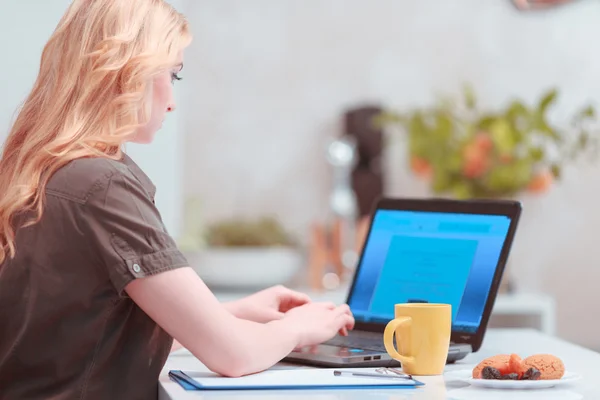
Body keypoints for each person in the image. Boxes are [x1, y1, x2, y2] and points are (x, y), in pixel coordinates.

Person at [0, 1, 355, 399]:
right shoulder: (102, 186)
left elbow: (81, 336)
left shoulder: (36, 170)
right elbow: (234, 355)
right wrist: (299, 327)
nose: (171, 100)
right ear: (126, 74)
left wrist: (231, 315)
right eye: (172, 75)